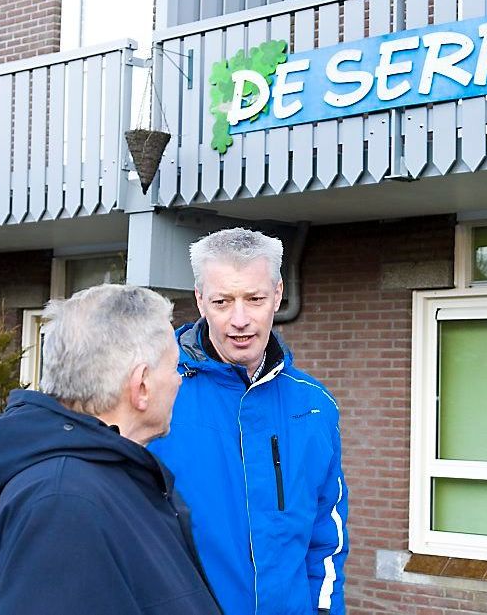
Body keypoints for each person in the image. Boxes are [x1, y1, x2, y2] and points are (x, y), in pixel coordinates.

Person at [0, 284, 221, 615]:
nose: (178, 381)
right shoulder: (62, 503)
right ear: (141, 385)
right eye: (173, 366)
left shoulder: (110, 479)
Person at [148, 228, 348, 615]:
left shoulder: (315, 404)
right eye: (223, 301)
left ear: (277, 295)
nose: (240, 320)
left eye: (254, 299)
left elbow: (327, 537)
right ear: (200, 301)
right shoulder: (152, 391)